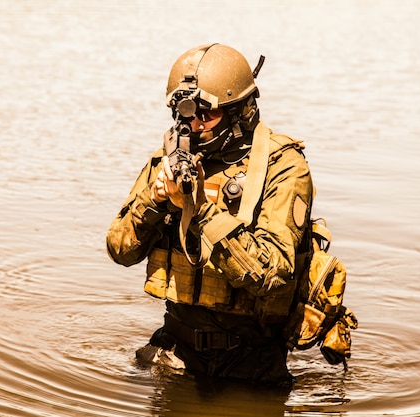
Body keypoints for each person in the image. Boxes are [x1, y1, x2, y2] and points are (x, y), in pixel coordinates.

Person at [106, 43, 314, 387]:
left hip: (250, 361)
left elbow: (272, 275)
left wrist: (199, 207)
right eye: (185, 114)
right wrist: (155, 200)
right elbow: (119, 250)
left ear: (240, 111)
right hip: (174, 351)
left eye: (205, 114)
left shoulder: (284, 166)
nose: (193, 126)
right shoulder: (169, 160)